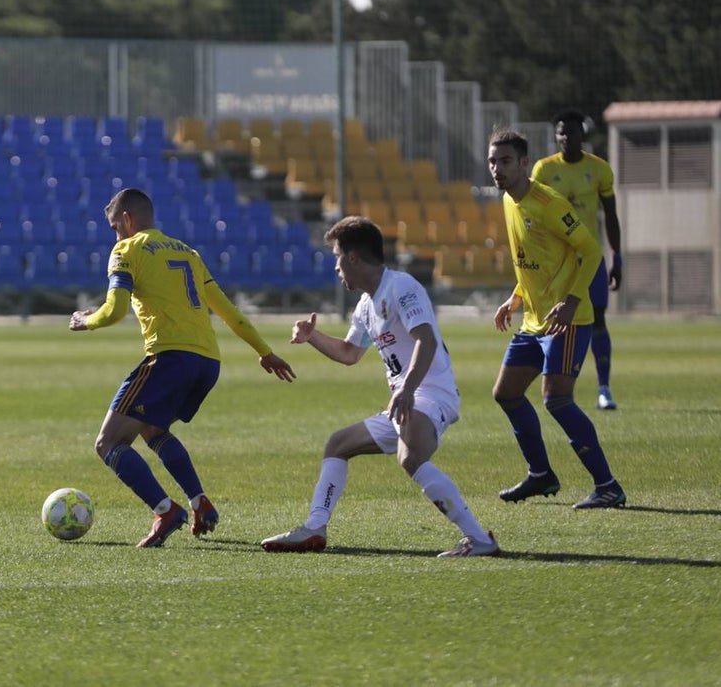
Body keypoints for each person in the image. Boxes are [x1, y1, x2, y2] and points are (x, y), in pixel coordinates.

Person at [69, 188, 296, 548]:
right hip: (207, 363)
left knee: (108, 442)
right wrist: (265, 352)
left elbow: (113, 311)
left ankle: (165, 510)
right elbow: (229, 312)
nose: (115, 235)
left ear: (127, 220)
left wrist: (86, 321)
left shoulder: (126, 250)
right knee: (153, 430)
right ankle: (199, 502)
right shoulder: (188, 253)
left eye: (115, 227)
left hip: (169, 358)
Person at [261, 216, 499, 558]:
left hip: (430, 392)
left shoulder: (401, 286)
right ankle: (314, 528)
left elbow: (426, 341)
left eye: (337, 258)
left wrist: (406, 390)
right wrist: (312, 337)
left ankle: (479, 540)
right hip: (407, 398)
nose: (336, 268)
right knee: (338, 444)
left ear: (353, 258)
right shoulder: (365, 306)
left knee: (410, 457)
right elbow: (348, 353)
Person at [488, 129, 626, 509]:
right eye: (492, 161)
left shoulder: (548, 203)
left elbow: (591, 250)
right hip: (534, 321)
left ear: (524, 163)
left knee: (557, 399)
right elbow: (529, 260)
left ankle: (608, 486)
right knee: (506, 393)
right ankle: (540, 475)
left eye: (505, 161)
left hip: (567, 319)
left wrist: (571, 300)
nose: (497, 169)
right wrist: (514, 297)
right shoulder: (507, 200)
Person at [531, 108, 623, 410]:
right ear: (556, 136)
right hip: (555, 262)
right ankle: (552, 385)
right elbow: (533, 215)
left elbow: (610, 215)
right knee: (549, 319)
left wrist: (617, 257)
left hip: (589, 258)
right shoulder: (543, 171)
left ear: (582, 134)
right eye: (561, 132)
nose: (566, 137)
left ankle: (604, 388)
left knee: (597, 318)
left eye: (571, 131)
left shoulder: (599, 170)